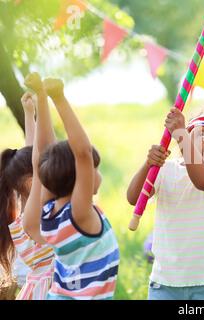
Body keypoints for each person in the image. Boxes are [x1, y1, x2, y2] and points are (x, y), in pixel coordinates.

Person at [23, 73, 119, 300]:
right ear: (80, 178)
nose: (96, 173)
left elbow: (40, 159)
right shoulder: (80, 215)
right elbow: (83, 153)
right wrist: (59, 98)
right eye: (94, 169)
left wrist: (41, 97)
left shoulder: (49, 213)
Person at [127, 107, 204, 300]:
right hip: (164, 284)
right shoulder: (165, 170)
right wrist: (149, 164)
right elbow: (134, 198)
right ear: (188, 134)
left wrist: (180, 134)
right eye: (203, 127)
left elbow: (202, 181)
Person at [0, 92, 54, 300]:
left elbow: (32, 153)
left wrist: (29, 113)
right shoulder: (37, 212)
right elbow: (35, 154)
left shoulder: (21, 216)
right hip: (47, 290)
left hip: (34, 286)